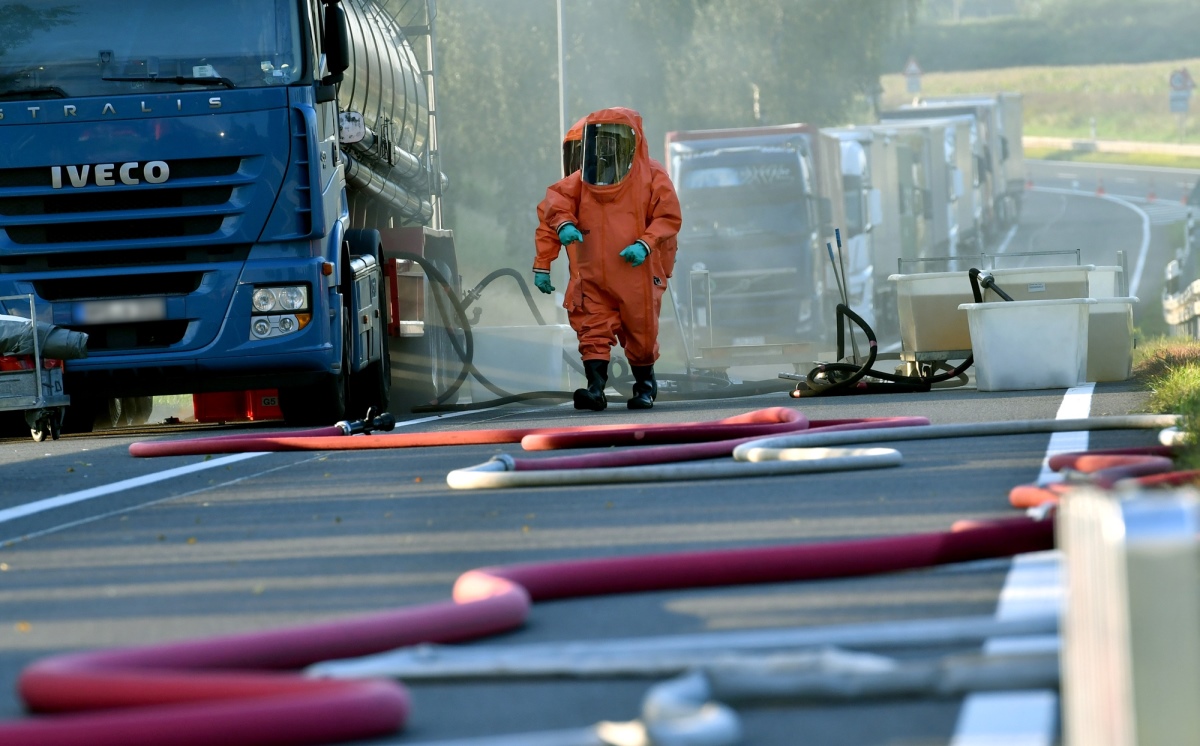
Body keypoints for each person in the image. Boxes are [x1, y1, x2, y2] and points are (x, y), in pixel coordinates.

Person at [532, 107, 681, 410]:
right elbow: (552, 209)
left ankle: (644, 386)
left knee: (641, 332)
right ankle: (595, 388)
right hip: (590, 276)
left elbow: (668, 217)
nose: (605, 151)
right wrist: (546, 258)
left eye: (612, 143)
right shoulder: (579, 183)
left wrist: (646, 244)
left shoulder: (652, 176)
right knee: (592, 329)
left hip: (635, 273)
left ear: (631, 142)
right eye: (600, 143)